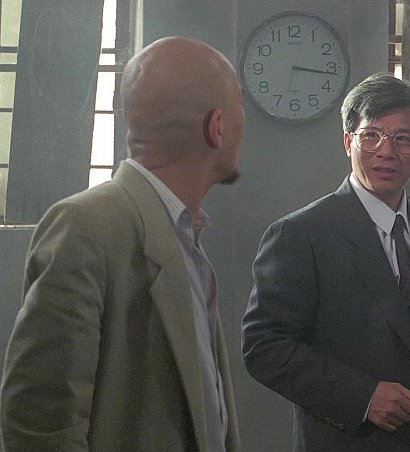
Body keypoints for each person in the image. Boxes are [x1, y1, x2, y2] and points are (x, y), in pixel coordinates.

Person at [0, 36, 245, 451]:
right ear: (217, 126)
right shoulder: (86, 225)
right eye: (240, 110)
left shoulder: (182, 233)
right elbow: (41, 423)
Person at [242, 72, 410, 452]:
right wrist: (363, 396)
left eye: (402, 139)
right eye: (371, 136)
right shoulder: (301, 234)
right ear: (347, 142)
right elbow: (263, 346)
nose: (386, 151)